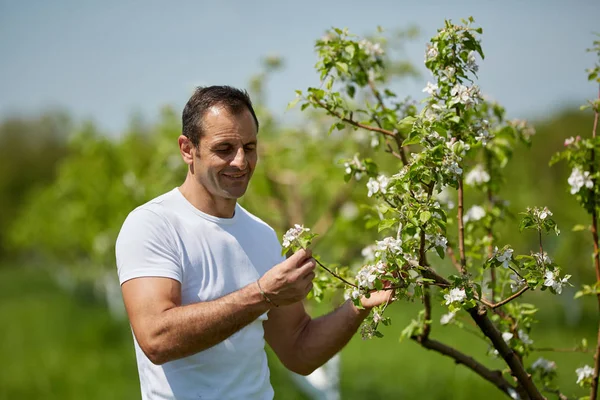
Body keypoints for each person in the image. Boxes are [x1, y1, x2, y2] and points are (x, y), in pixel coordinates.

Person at [115, 85, 392, 400]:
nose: (240, 162)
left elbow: (298, 350)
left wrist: (358, 303)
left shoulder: (261, 234)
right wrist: (262, 294)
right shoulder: (153, 224)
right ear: (187, 149)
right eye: (224, 149)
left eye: (249, 147)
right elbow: (156, 339)